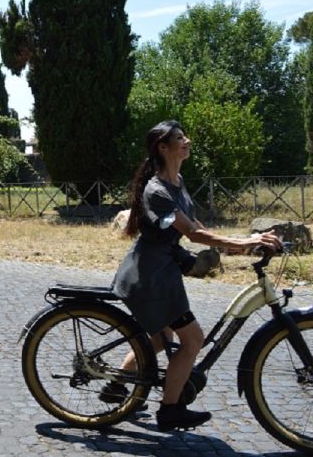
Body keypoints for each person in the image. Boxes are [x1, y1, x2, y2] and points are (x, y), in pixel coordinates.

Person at [109, 120, 279, 431]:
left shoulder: (177, 180)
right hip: (149, 276)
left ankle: (118, 384)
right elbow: (192, 233)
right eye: (179, 138)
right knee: (193, 340)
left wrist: (237, 242)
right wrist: (244, 241)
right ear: (163, 147)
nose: (187, 141)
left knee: (164, 338)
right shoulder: (157, 190)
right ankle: (170, 410)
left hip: (163, 269)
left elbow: (194, 222)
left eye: (185, 136)